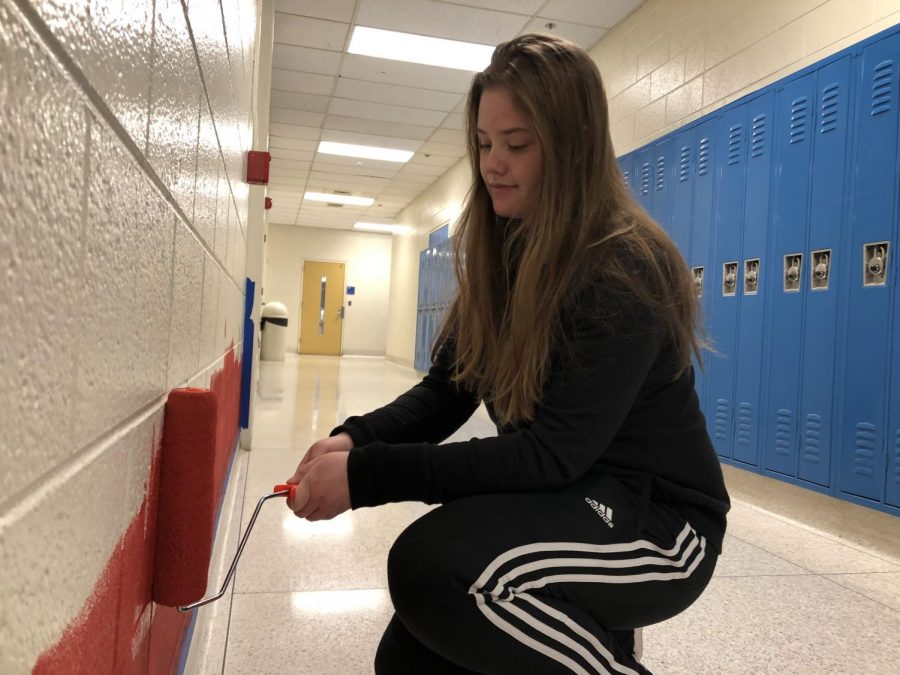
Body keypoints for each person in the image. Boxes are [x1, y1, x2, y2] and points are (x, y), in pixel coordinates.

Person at [285, 33, 730, 675]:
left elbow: (550, 454)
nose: (494, 163)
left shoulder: (621, 268)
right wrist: (355, 440)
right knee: (412, 655)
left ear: (573, 145)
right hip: (574, 492)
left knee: (433, 569)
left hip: (660, 526)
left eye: (517, 145)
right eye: (485, 144)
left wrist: (369, 479)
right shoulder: (505, 250)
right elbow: (448, 390)